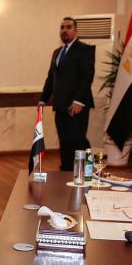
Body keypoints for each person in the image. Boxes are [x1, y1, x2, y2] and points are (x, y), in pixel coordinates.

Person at [39, 17, 95, 171]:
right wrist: (43, 99)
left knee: (78, 139)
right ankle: (66, 169)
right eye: (62, 27)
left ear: (75, 31)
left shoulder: (85, 49)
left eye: (68, 27)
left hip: (77, 105)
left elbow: (87, 77)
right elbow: (51, 77)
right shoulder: (57, 52)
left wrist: (79, 101)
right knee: (64, 139)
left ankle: (87, 170)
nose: (64, 30)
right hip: (60, 104)